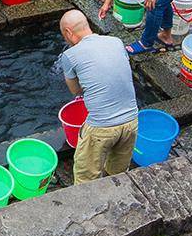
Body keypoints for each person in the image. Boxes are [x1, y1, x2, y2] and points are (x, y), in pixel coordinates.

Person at [58, 10, 138, 182]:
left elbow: (76, 91)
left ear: (68, 33)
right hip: (131, 121)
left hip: (101, 127)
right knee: (119, 172)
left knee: (85, 176)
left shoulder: (70, 56)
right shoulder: (116, 42)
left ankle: (90, 206)